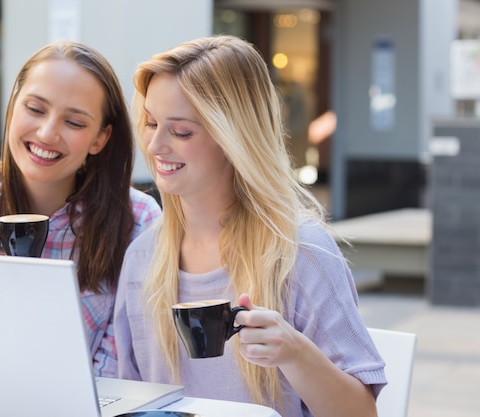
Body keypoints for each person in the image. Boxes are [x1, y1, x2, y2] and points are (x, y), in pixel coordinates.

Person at [113, 35, 386, 417]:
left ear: (234, 137)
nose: (156, 145)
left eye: (181, 131)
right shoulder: (142, 257)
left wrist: (296, 353)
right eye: (151, 123)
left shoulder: (301, 252)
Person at [0, 40, 162, 377]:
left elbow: (118, 372)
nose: (48, 133)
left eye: (75, 123)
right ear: (12, 108)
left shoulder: (139, 220)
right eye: (35, 109)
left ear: (100, 138)